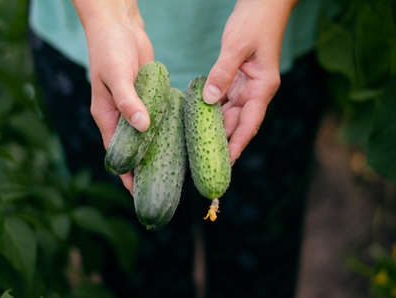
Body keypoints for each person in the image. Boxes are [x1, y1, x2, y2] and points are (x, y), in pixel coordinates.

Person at [29, 0, 326, 297]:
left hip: (266, 52)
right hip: (97, 45)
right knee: (139, 275)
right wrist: (105, 15)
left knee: (257, 271)